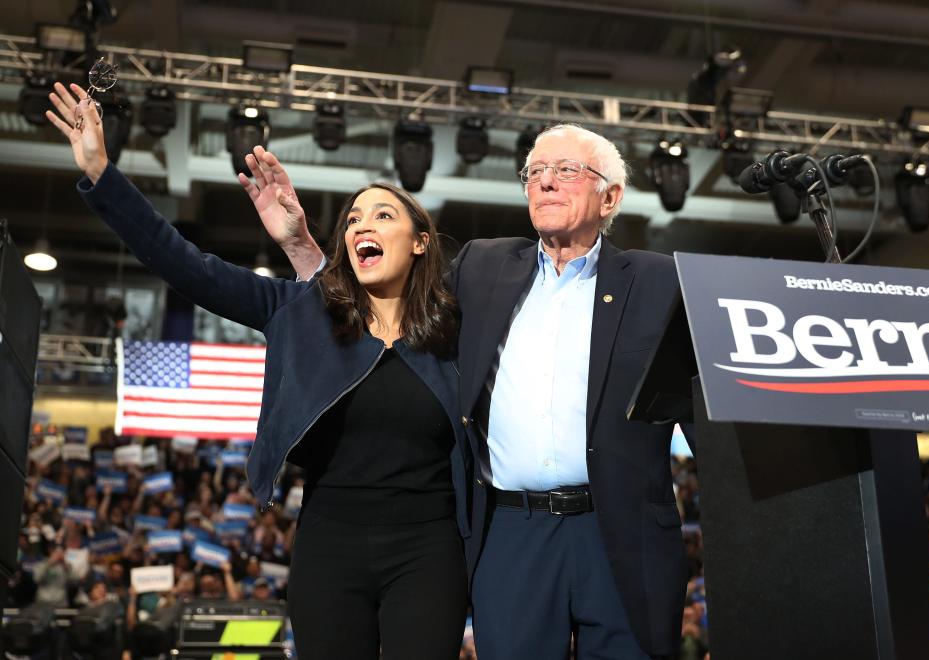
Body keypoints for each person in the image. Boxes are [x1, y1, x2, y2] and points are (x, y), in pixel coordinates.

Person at [45, 81, 470, 660]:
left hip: (429, 550)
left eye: (382, 214)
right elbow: (185, 265)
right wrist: (101, 173)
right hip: (330, 546)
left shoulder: (454, 332)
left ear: (421, 242)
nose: (360, 226)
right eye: (351, 221)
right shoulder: (302, 315)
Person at [261, 124, 692, 659]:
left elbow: (710, 419)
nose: (546, 183)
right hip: (513, 532)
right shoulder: (481, 267)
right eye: (535, 173)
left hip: (622, 533)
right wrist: (302, 250)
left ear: (611, 197)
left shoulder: (662, 282)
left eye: (566, 171)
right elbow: (389, 300)